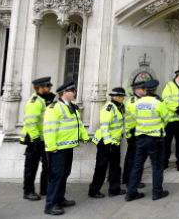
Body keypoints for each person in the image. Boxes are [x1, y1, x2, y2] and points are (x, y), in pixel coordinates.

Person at [43, 82, 89, 215]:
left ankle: (60, 198)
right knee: (56, 176)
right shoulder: (54, 108)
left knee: (64, 174)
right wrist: (51, 147)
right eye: (72, 90)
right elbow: (50, 128)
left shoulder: (72, 107)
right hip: (57, 149)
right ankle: (50, 205)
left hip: (68, 147)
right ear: (64, 92)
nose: (75, 93)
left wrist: (84, 136)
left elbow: (78, 123)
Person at [125, 79, 170, 202]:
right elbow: (167, 118)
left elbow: (135, 117)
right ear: (155, 89)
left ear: (145, 90)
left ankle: (131, 193)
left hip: (141, 138)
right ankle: (157, 192)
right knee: (157, 166)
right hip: (155, 140)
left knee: (137, 166)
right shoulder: (158, 103)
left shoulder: (138, 103)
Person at [88, 87, 127, 198]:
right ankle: (94, 190)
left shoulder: (120, 107)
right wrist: (108, 143)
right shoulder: (108, 108)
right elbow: (104, 126)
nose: (123, 99)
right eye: (122, 97)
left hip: (114, 142)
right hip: (105, 142)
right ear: (117, 97)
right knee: (101, 167)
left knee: (115, 166)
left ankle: (114, 189)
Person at [21, 76, 52, 201]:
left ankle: (44, 189)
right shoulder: (35, 102)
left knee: (47, 166)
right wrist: (35, 139)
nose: (50, 88)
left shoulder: (43, 100)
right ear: (40, 88)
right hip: (35, 140)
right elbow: (30, 122)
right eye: (47, 86)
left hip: (43, 139)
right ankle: (28, 191)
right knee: (31, 168)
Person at [122, 81, 146, 189]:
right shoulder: (133, 101)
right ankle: (130, 180)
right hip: (133, 132)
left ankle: (133, 179)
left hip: (138, 131)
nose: (145, 90)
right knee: (133, 157)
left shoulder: (140, 100)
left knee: (136, 157)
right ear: (137, 90)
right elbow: (138, 116)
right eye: (143, 88)